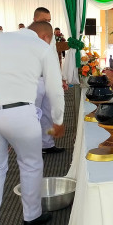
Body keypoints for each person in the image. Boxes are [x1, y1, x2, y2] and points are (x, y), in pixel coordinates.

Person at [0, 21, 65, 225]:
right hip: (21, 113)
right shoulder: (42, 47)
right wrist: (58, 120)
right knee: (30, 164)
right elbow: (55, 89)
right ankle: (31, 216)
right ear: (46, 37)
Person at [33, 8, 67, 153]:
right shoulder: (28, 36)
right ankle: (31, 147)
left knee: (48, 112)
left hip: (48, 79)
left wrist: (59, 78)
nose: (47, 23)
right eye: (44, 20)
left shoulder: (51, 36)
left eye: (49, 20)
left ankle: (47, 144)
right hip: (33, 80)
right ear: (35, 20)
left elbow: (54, 59)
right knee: (33, 115)